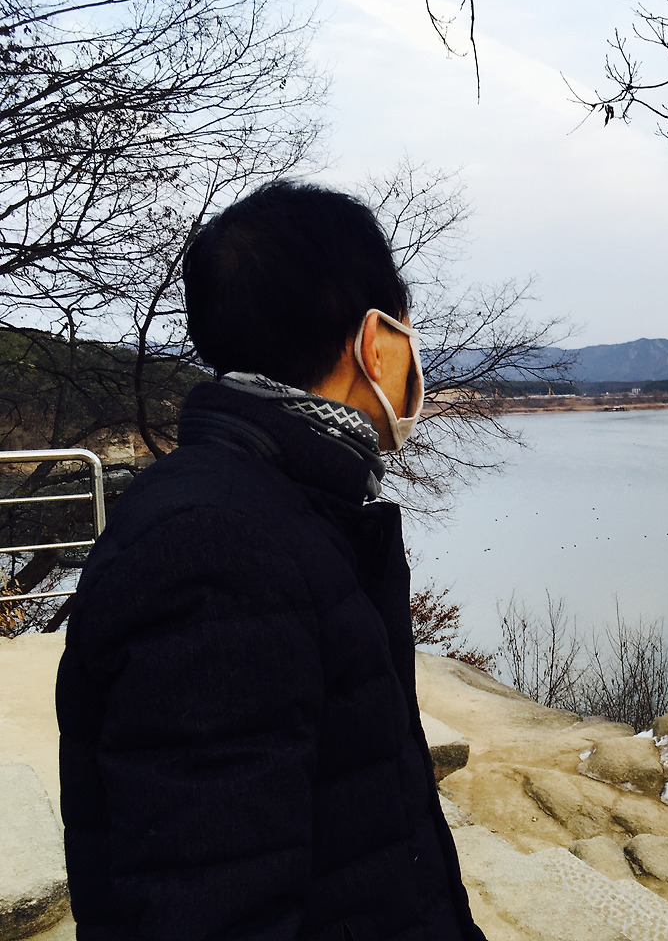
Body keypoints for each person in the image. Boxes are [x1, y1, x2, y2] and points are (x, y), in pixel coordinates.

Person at [56, 180, 488, 940]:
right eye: (406, 327)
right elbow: (210, 904)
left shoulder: (276, 508)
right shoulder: (215, 552)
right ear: (376, 341)